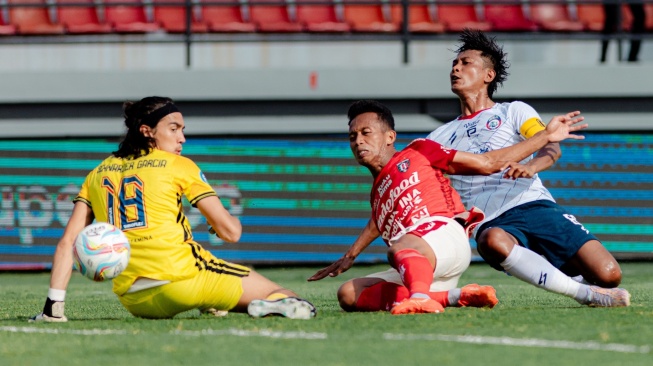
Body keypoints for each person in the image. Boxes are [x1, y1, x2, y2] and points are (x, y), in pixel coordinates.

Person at [30, 96, 316, 322]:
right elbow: (231, 232)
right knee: (294, 300)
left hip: (134, 300)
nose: (182, 138)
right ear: (147, 131)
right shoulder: (178, 165)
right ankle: (259, 304)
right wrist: (219, 223)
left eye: (182, 130)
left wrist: (53, 304)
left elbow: (68, 243)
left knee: (204, 266)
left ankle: (212, 303)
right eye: (174, 128)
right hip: (182, 282)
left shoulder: (97, 173)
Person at [308, 99, 588, 315]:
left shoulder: (419, 150)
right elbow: (377, 220)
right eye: (352, 136)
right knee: (348, 294)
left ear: (390, 137)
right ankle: (451, 297)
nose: (358, 141)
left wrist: (544, 137)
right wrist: (351, 255)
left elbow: (487, 163)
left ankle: (418, 299)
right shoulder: (379, 192)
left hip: (444, 239)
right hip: (424, 265)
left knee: (401, 246)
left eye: (366, 133)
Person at [426, 29, 630, 307]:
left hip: (533, 205)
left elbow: (550, 146)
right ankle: (581, 292)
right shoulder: (436, 138)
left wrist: (532, 166)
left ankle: (563, 276)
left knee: (609, 275)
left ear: (489, 75)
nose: (456, 68)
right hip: (491, 221)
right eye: (454, 64)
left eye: (466, 62)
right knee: (493, 241)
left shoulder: (514, 111)